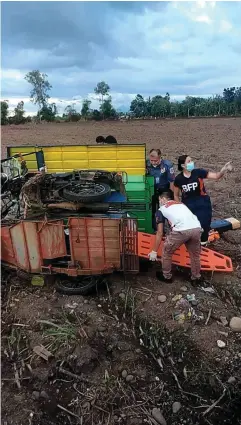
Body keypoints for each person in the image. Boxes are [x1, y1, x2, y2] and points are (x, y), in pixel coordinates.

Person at [173, 155, 232, 245]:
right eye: (189, 161)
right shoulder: (178, 179)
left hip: (202, 204)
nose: (192, 162)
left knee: (204, 226)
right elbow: (176, 194)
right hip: (188, 206)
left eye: (191, 160)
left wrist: (223, 169)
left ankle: (204, 244)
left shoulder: (198, 172)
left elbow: (216, 176)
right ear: (183, 166)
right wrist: (180, 207)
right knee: (190, 228)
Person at [148, 191, 202, 285]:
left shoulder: (161, 209)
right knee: (195, 255)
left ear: (163, 199)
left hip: (181, 231)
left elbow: (160, 233)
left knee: (167, 252)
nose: (160, 202)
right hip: (197, 228)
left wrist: (154, 251)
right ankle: (196, 278)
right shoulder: (181, 204)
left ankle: (166, 276)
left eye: (160, 200)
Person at [146, 149, 175, 231]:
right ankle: (155, 228)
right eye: (152, 160)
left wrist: (170, 195)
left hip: (163, 190)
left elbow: (172, 181)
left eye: (156, 161)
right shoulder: (146, 164)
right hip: (151, 190)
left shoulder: (167, 165)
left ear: (160, 158)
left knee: (165, 210)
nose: (154, 162)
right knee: (152, 209)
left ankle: (171, 228)